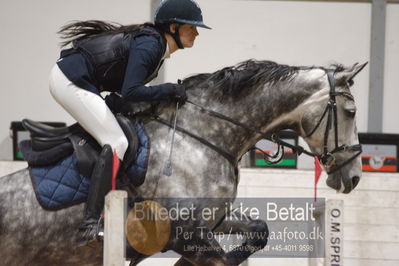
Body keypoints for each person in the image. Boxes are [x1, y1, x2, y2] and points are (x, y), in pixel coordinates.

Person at [49, 0, 211, 247]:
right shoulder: (150, 44)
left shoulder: (156, 47)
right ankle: (91, 224)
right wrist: (169, 89)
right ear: (173, 27)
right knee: (116, 141)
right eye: (192, 27)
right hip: (70, 82)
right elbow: (132, 90)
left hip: (84, 82)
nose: (197, 33)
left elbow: (124, 92)